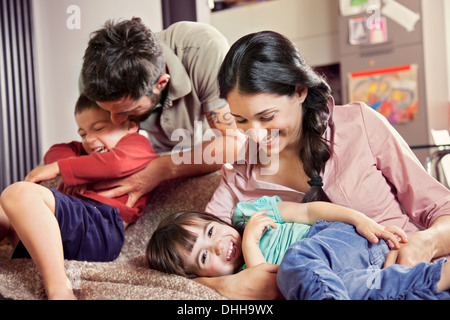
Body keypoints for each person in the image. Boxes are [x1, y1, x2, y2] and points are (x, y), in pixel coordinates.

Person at [202, 30, 450, 298]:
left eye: (267, 116)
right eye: (241, 120)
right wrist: (223, 285)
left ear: (299, 91)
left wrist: (426, 243)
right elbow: (188, 254)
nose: (256, 135)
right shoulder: (238, 180)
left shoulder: (359, 124)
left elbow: (441, 208)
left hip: (417, 277)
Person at [0, 94, 158, 299]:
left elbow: (116, 163)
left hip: (101, 227)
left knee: (18, 193)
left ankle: (59, 288)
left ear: (130, 124)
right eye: (83, 133)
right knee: (3, 211)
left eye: (99, 128)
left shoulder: (137, 145)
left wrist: (62, 168)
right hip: (66, 234)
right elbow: (57, 150)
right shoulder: (83, 155)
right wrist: (76, 169)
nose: (89, 139)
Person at [147, 196, 450, 300]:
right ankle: (439, 279)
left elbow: (309, 213)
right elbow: (262, 281)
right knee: (350, 287)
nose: (218, 246)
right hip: (347, 275)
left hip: (337, 239)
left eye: (211, 231)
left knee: (295, 261)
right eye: (203, 256)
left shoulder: (247, 213)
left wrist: (361, 221)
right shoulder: (238, 281)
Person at [80, 18, 240, 208]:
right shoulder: (93, 79)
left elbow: (234, 144)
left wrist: (161, 169)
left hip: (205, 144)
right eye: (108, 111)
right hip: (154, 152)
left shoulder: (205, 49)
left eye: (128, 111)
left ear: (161, 83)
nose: (114, 120)